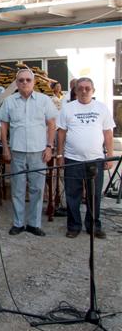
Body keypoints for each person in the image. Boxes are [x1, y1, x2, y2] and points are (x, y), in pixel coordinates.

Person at [1, 68, 58, 237]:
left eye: (27, 80)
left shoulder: (44, 100)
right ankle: (18, 223)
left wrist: (49, 147)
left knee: (37, 189)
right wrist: (5, 147)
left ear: (33, 82)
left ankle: (34, 224)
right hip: (17, 151)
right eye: (21, 80)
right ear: (16, 83)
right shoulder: (9, 101)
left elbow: (52, 124)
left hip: (38, 151)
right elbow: (3, 125)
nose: (24, 82)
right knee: (17, 189)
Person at [57, 77, 115, 239]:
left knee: (94, 195)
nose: (83, 91)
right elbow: (61, 133)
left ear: (93, 91)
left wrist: (109, 156)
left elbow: (108, 134)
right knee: (72, 194)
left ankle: (94, 226)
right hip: (72, 159)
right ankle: (74, 226)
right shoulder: (68, 109)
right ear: (75, 91)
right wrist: (60, 155)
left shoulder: (102, 108)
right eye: (80, 88)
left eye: (87, 88)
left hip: (95, 159)